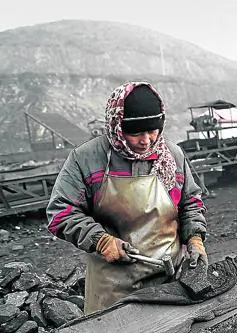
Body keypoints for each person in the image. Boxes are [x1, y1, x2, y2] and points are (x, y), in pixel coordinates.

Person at [47, 81, 210, 314]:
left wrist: (194, 238)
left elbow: (190, 202)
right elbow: (60, 212)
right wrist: (100, 241)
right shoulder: (86, 159)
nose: (147, 141)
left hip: (170, 282)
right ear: (117, 126)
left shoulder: (172, 156)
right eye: (136, 133)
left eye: (153, 130)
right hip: (113, 289)